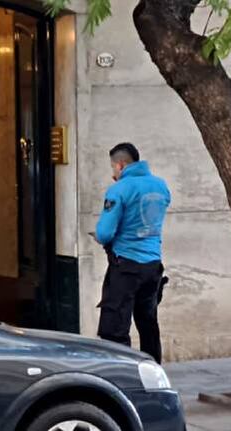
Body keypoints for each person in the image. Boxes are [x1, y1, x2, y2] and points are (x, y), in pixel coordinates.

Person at [93, 142, 171, 363]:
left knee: (115, 326)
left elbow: (105, 232)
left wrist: (98, 236)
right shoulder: (161, 186)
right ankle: (153, 372)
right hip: (153, 266)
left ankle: (121, 375)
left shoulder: (119, 189)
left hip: (126, 266)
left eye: (113, 168)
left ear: (120, 165)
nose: (113, 173)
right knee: (148, 324)